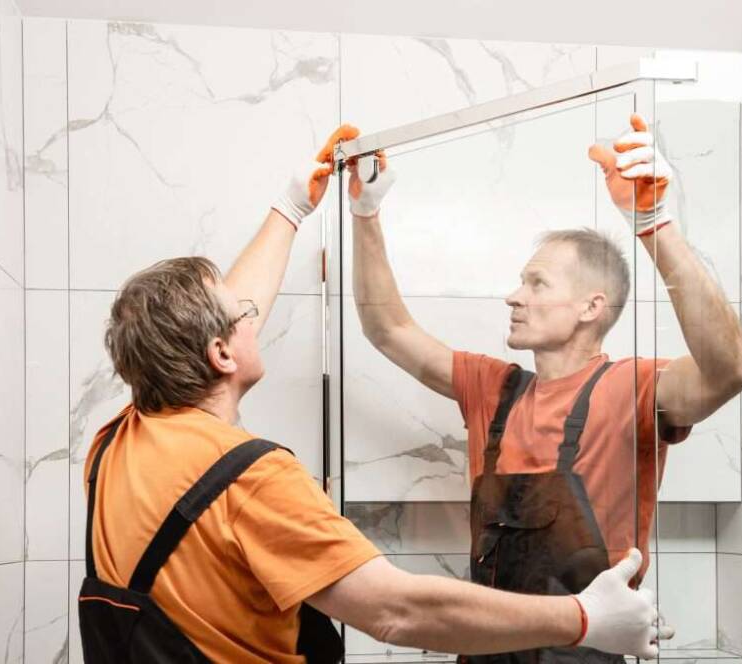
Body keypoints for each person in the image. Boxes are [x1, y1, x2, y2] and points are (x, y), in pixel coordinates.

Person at [77, 126, 671, 664]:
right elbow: (396, 610)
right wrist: (586, 617)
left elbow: (201, 326)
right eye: (246, 315)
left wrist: (291, 208)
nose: (255, 311)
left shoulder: (118, 442)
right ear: (222, 354)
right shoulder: (250, 478)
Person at [350, 115, 742, 664]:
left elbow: (731, 368)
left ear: (592, 307)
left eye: (535, 283)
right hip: (485, 649)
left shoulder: (633, 387)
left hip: (587, 652)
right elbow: (389, 329)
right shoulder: (493, 388)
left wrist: (654, 223)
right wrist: (365, 214)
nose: (513, 296)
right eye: (521, 281)